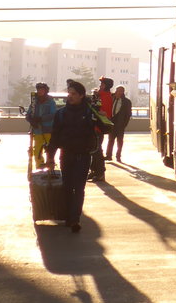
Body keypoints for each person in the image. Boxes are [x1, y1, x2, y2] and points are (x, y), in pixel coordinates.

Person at [46, 80, 109, 233]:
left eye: (74, 94)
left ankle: (75, 218)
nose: (70, 96)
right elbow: (54, 138)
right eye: (69, 93)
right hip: (66, 155)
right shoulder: (61, 114)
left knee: (79, 188)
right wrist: (50, 158)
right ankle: (69, 217)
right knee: (67, 187)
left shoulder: (90, 113)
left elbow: (106, 129)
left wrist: (103, 118)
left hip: (83, 156)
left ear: (81, 95)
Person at [25, 82, 59, 168]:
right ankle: (40, 165)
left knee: (50, 150)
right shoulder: (34, 102)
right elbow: (28, 114)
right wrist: (31, 120)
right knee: (37, 150)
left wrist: (41, 118)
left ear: (46, 91)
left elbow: (53, 114)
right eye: (38, 89)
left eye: (42, 89)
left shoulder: (50, 102)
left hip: (48, 129)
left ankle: (50, 165)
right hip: (37, 130)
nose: (40, 91)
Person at [89, 77, 114, 181]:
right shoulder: (100, 95)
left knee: (97, 151)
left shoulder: (105, 97)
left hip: (98, 128)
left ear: (106, 86)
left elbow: (105, 113)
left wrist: (95, 109)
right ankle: (94, 171)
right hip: (94, 127)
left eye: (102, 84)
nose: (100, 86)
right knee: (94, 151)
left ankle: (100, 172)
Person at [107, 86, 133, 162]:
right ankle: (108, 155)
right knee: (110, 140)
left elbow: (128, 114)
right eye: (117, 90)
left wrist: (124, 124)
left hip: (120, 125)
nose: (117, 92)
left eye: (119, 91)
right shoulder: (112, 99)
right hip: (111, 123)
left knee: (120, 141)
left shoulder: (127, 102)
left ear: (122, 92)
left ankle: (118, 156)